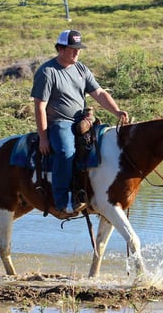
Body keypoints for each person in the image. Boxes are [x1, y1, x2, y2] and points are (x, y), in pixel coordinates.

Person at [31, 29, 129, 217]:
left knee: (105, 144)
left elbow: (99, 93)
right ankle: (61, 201)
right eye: (72, 49)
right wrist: (43, 138)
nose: (77, 52)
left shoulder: (81, 69)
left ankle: (97, 193)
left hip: (83, 120)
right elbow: (40, 106)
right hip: (60, 122)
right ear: (60, 49)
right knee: (66, 151)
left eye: (78, 49)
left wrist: (116, 111)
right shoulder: (47, 72)